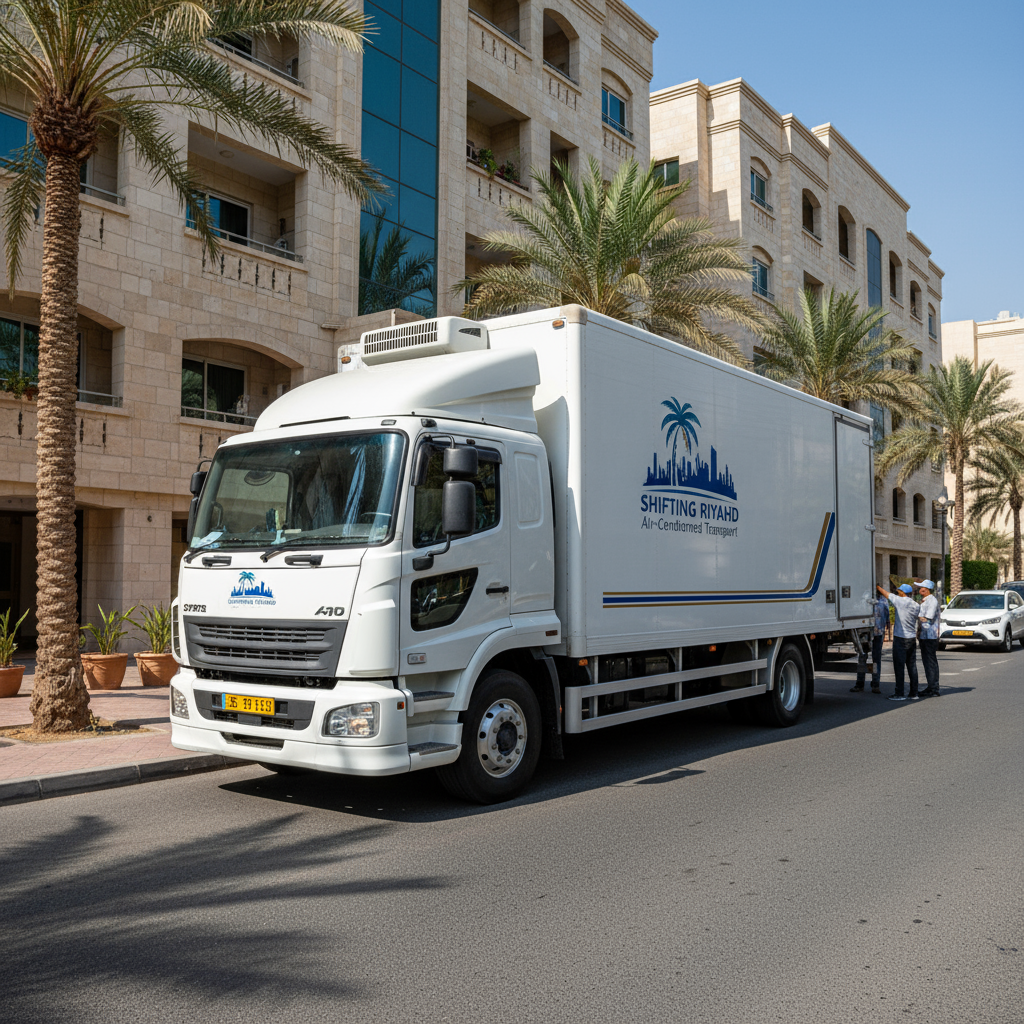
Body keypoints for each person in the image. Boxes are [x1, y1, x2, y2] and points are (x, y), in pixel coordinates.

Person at [877, 583, 920, 701]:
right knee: (912, 667)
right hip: (911, 638)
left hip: (900, 638)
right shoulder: (916, 605)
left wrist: (878, 587)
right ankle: (914, 693)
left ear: (902, 592)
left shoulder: (900, 601)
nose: (897, 592)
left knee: (899, 667)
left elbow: (886, 594)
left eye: (899, 590)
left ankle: (899, 693)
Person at [852, 592, 889, 694]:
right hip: (865, 633)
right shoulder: (864, 599)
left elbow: (887, 618)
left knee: (876, 659)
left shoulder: (883, 601)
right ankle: (860, 683)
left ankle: (875, 684)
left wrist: (886, 630)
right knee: (862, 657)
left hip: (878, 633)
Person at [915, 579, 941, 698]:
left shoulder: (932, 601)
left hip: (929, 635)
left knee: (930, 662)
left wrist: (915, 616)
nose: (920, 589)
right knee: (927, 662)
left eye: (922, 588)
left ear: (927, 589)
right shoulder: (925, 601)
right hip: (924, 635)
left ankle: (934, 688)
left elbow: (928, 618)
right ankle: (931, 686)